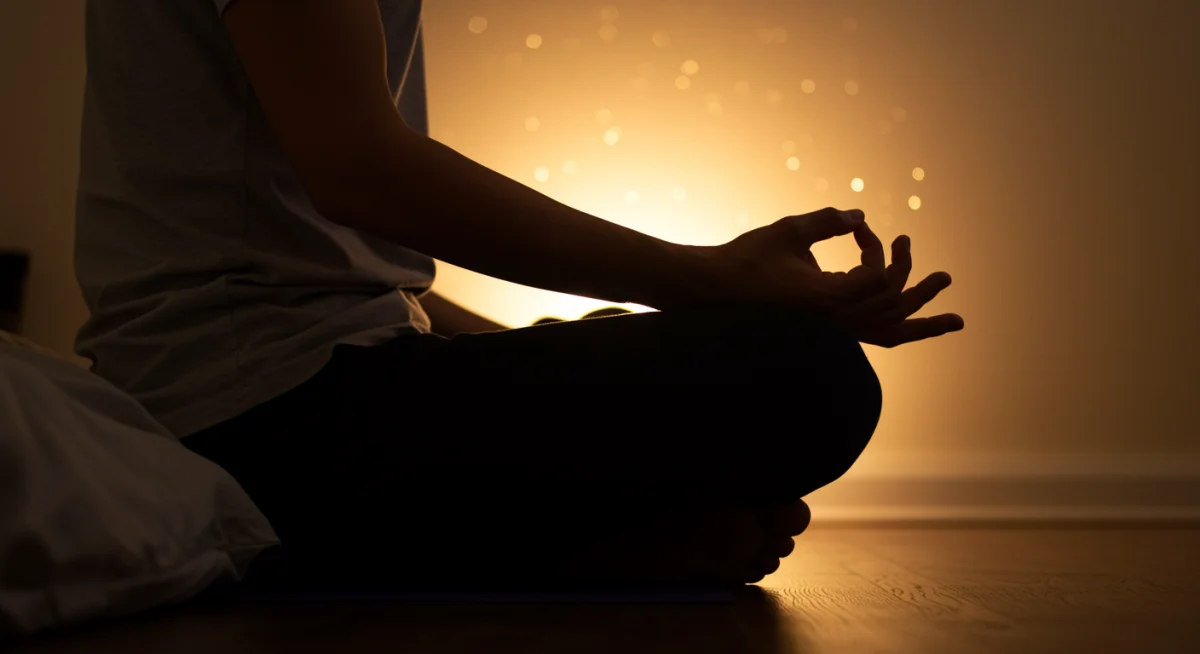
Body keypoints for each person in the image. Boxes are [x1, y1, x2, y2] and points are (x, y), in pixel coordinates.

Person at [74, 0, 963, 590]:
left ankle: (573, 535)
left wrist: (684, 315)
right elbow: (361, 172)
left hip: (297, 389)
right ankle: (565, 549)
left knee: (776, 361)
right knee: (805, 378)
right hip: (261, 423)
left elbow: (353, 282)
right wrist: (711, 278)